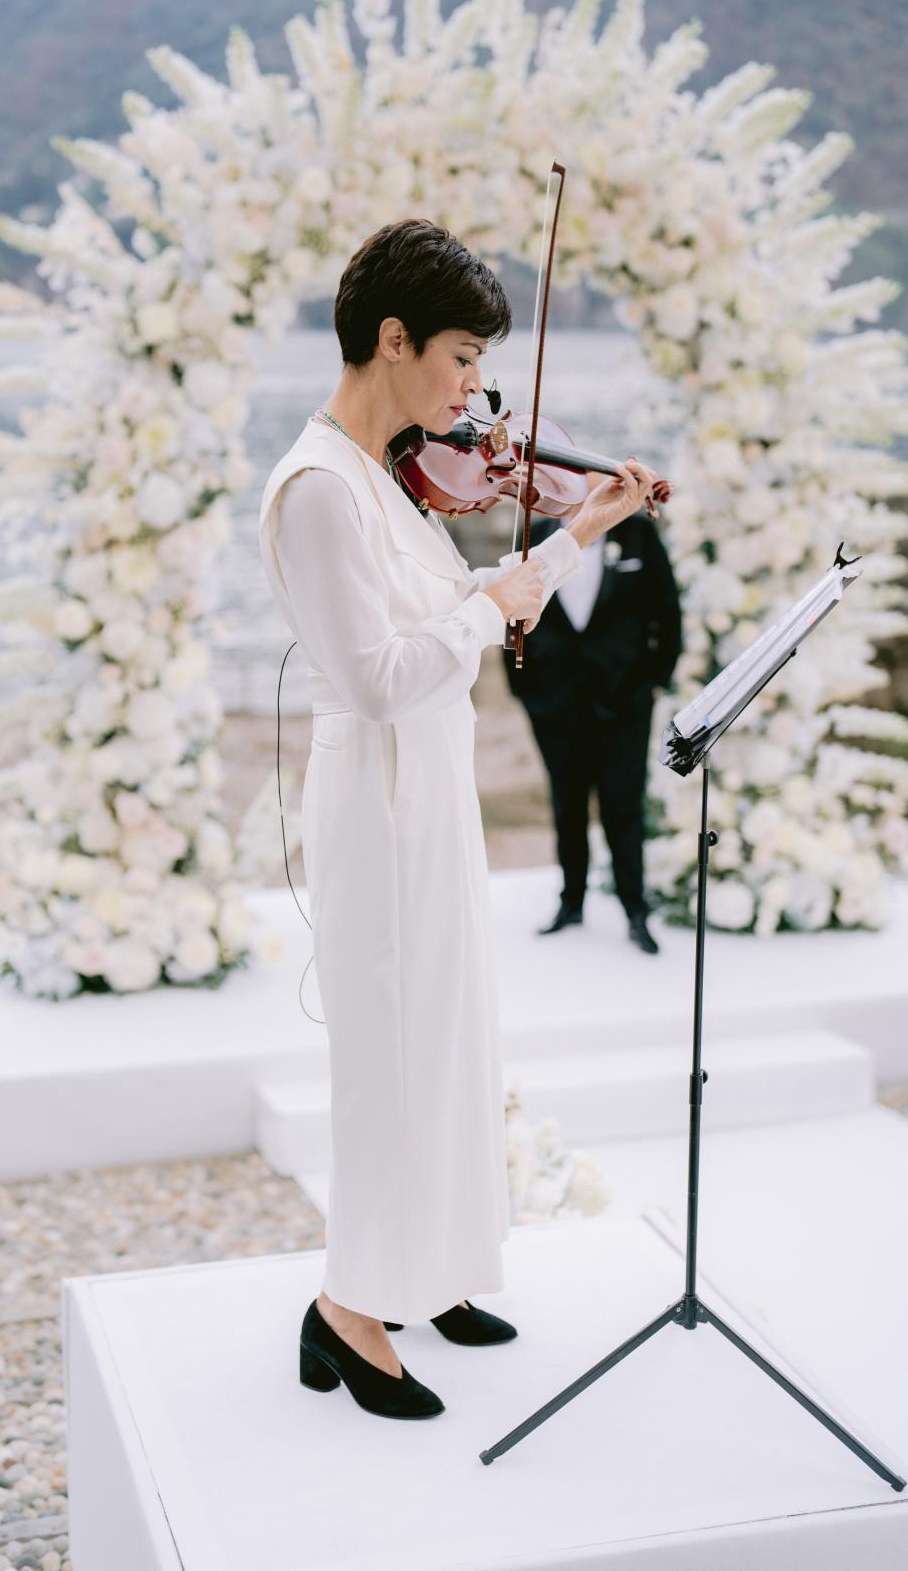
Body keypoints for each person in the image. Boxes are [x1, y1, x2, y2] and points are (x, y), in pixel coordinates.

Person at [258, 217, 659, 1421]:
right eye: (464, 357)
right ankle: (343, 1310)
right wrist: (510, 593)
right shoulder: (320, 488)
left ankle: (428, 1272)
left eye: (486, 361)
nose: (478, 386)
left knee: (448, 1037)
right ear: (392, 341)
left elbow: (460, 609)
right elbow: (383, 671)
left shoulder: (390, 480)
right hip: (375, 801)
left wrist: (575, 532)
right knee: (386, 1054)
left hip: (426, 789)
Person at [501, 505, 682, 953]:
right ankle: (571, 901)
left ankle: (635, 910)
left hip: (625, 702)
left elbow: (668, 609)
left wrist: (655, 683)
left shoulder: (638, 533)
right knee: (567, 804)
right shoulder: (534, 535)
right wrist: (523, 690)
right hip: (554, 703)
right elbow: (511, 613)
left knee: (625, 807)